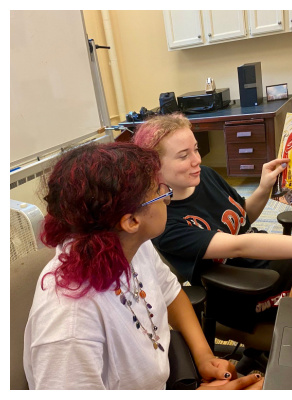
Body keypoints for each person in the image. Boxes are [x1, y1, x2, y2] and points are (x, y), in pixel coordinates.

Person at [133, 114, 292, 370]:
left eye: (196, 149)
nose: (197, 160)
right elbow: (240, 244)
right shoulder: (166, 223)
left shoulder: (205, 176)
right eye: (183, 155)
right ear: (153, 167)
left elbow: (242, 218)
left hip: (263, 265)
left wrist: (264, 187)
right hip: (240, 291)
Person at [23, 142, 262, 389]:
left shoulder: (127, 244)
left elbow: (171, 293)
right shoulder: (70, 323)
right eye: (159, 190)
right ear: (131, 220)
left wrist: (204, 357)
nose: (167, 194)